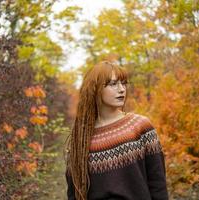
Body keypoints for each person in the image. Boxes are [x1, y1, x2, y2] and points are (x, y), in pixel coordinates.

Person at [64, 60, 168, 200]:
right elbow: (74, 192)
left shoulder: (140, 126)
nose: (121, 89)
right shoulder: (81, 138)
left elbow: (158, 183)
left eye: (123, 83)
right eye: (113, 84)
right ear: (95, 89)